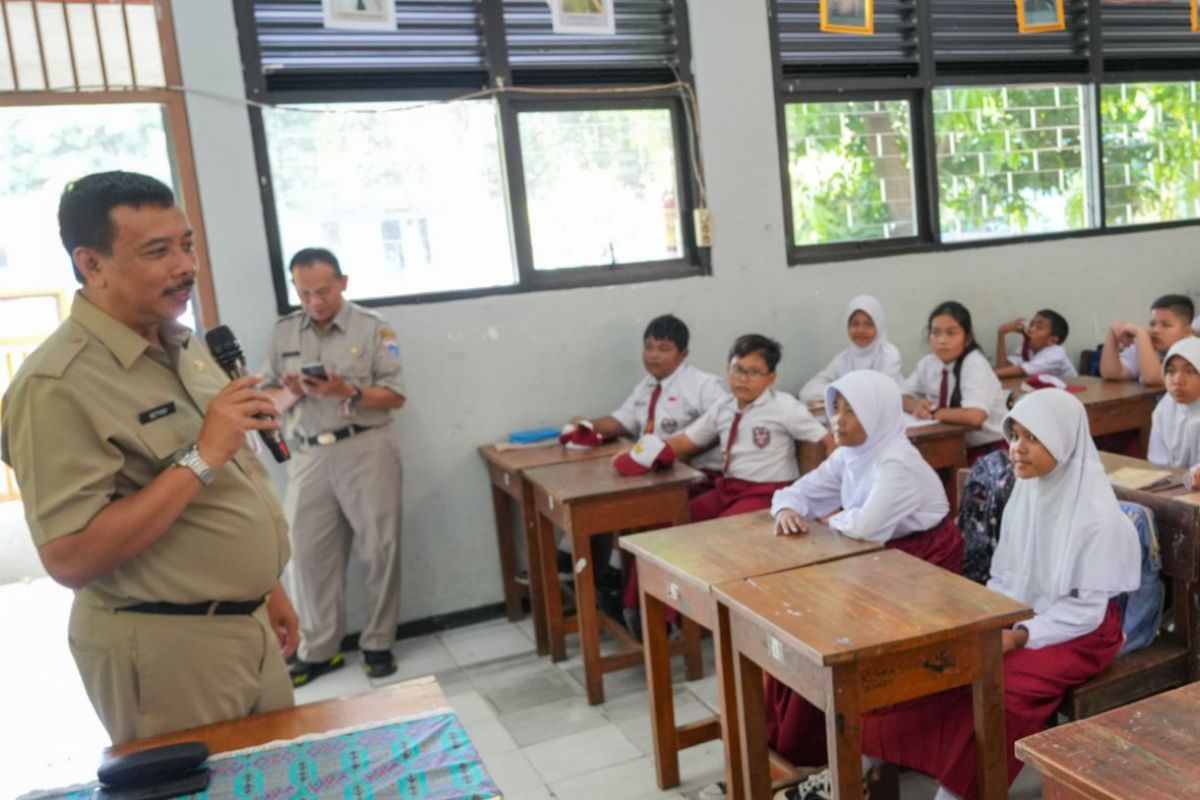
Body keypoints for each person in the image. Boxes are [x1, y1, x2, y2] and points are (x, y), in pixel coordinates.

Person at [0, 171, 297, 745]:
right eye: (157, 252)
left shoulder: (184, 344)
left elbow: (232, 481)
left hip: (245, 622)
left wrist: (268, 588)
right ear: (92, 264)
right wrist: (202, 454)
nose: (184, 266)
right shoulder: (55, 385)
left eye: (187, 245)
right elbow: (70, 557)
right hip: (167, 647)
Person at [857, 389, 1141, 800]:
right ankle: (864, 766)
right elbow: (1006, 575)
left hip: (1082, 631)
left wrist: (1017, 635)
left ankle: (959, 791)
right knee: (940, 665)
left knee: (1001, 691)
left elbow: (1086, 611)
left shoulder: (1096, 518)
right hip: (1020, 613)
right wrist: (981, 617)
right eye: (1014, 436)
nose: (1016, 449)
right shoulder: (1026, 494)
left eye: (1032, 438)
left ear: (1063, 441)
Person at [766, 370, 960, 770]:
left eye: (852, 411)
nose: (837, 420)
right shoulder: (850, 454)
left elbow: (867, 527)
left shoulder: (896, 461)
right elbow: (799, 493)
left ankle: (840, 745)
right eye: (836, 408)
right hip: (877, 558)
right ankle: (791, 739)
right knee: (797, 616)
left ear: (877, 415)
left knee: (825, 626)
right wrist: (787, 508)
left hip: (925, 566)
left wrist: (830, 518)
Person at [262, 247, 406, 685]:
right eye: (304, 293)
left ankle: (378, 642)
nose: (314, 301)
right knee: (305, 556)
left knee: (379, 549)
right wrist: (294, 392)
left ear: (343, 283)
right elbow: (267, 400)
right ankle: (320, 649)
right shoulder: (284, 332)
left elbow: (395, 395)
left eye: (323, 291)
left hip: (366, 448)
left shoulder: (375, 329)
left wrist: (348, 392)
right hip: (309, 453)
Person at [656, 334, 833, 522]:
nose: (742, 379)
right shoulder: (723, 406)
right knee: (680, 517)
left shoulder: (784, 407)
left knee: (720, 530)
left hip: (767, 493)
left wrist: (828, 495)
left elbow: (828, 440)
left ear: (771, 377)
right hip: (728, 488)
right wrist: (644, 453)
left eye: (754, 372)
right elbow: (684, 441)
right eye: (737, 370)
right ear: (727, 370)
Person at [568, 313, 726, 477]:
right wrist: (587, 425)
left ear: (683, 353)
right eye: (648, 347)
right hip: (652, 467)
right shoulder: (647, 385)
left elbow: (721, 426)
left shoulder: (703, 385)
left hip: (695, 471)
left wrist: (678, 452)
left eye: (663, 349)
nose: (653, 355)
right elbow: (621, 421)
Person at [903, 301, 1008, 463]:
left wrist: (933, 412)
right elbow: (898, 397)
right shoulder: (928, 363)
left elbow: (975, 415)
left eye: (951, 333)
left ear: (967, 338)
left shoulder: (975, 364)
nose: (942, 341)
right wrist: (916, 405)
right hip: (946, 443)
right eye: (935, 333)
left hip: (987, 450)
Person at [798, 295, 903, 404]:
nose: (861, 330)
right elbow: (807, 392)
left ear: (879, 326)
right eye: (855, 324)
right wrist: (839, 394)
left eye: (868, 324)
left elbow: (881, 393)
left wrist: (846, 394)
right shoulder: (843, 359)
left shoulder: (889, 354)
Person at [1100, 294, 1195, 387]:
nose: (1155, 330)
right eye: (1152, 324)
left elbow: (1154, 378)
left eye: (1166, 325)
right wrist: (1112, 334)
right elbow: (1112, 374)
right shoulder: (1146, 343)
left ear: (1187, 332)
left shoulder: (1193, 350)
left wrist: (1141, 333)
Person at [1147, 337, 1200, 488]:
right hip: (1174, 488)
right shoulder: (1165, 408)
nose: (1178, 380)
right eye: (1170, 371)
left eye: (1190, 371)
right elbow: (1157, 464)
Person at [994, 308, 1077, 379]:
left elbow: (1001, 373)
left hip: (1070, 395)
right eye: (1031, 324)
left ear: (1052, 340)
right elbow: (1003, 369)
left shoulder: (1055, 354)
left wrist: (983, 373)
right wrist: (1002, 333)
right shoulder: (1028, 349)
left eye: (1039, 327)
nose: (1030, 329)